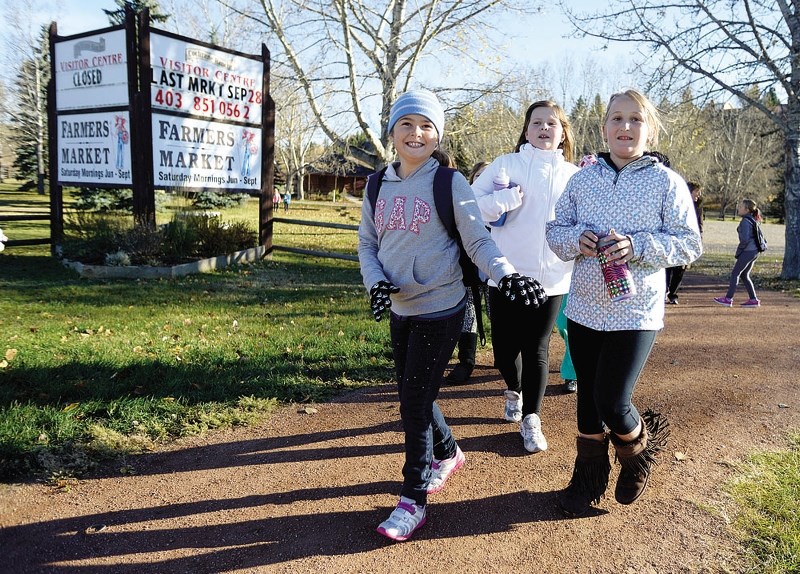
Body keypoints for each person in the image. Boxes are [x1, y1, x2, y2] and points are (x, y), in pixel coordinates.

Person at [358, 89, 546, 542]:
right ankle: (449, 452)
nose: (416, 133)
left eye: (426, 126)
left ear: (436, 134)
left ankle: (413, 500)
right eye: (407, 124)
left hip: (441, 308)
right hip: (401, 308)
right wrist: (375, 283)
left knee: (413, 404)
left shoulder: (449, 182)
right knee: (413, 391)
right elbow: (367, 243)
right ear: (392, 132)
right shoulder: (376, 184)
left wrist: (506, 275)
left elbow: (479, 242)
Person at [545, 89, 702, 517]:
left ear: (648, 129)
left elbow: (689, 244)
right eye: (617, 118)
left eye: (635, 119)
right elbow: (555, 231)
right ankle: (587, 481)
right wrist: (576, 240)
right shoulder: (583, 179)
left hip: (636, 311)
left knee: (612, 399)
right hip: (583, 309)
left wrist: (637, 245)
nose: (625, 127)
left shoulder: (667, 182)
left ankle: (637, 455)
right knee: (586, 406)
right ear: (604, 128)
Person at [471, 100, 579, 453]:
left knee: (537, 348)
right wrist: (501, 200)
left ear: (563, 132)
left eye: (552, 123)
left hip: (551, 278)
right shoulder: (506, 164)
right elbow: (470, 206)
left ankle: (532, 418)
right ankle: (513, 389)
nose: (544, 128)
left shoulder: (574, 175)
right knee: (504, 350)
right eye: (537, 123)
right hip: (504, 273)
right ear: (527, 129)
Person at [445, 160, 491, 384]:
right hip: (466, 269)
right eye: (479, 175)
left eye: (487, 175)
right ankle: (466, 361)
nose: (482, 179)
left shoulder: (501, 205)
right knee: (467, 316)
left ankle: (508, 356)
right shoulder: (462, 202)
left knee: (499, 315)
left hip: (493, 272)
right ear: (472, 179)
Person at [714, 198, 763, 308]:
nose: (738, 209)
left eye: (740, 207)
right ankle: (753, 299)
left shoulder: (745, 221)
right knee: (744, 275)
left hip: (748, 251)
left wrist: (739, 251)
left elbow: (744, 240)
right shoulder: (752, 219)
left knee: (735, 273)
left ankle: (728, 299)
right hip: (754, 251)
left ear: (746, 210)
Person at [666, 182, 704, 304]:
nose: (698, 195)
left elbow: (699, 225)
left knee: (680, 269)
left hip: (687, 241)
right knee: (668, 267)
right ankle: (664, 292)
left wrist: (699, 241)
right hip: (672, 239)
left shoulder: (698, 207)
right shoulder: (676, 202)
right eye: (696, 192)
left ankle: (673, 294)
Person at [555, 294, 577, 393]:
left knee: (571, 330)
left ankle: (571, 374)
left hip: (590, 285)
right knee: (562, 325)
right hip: (561, 284)